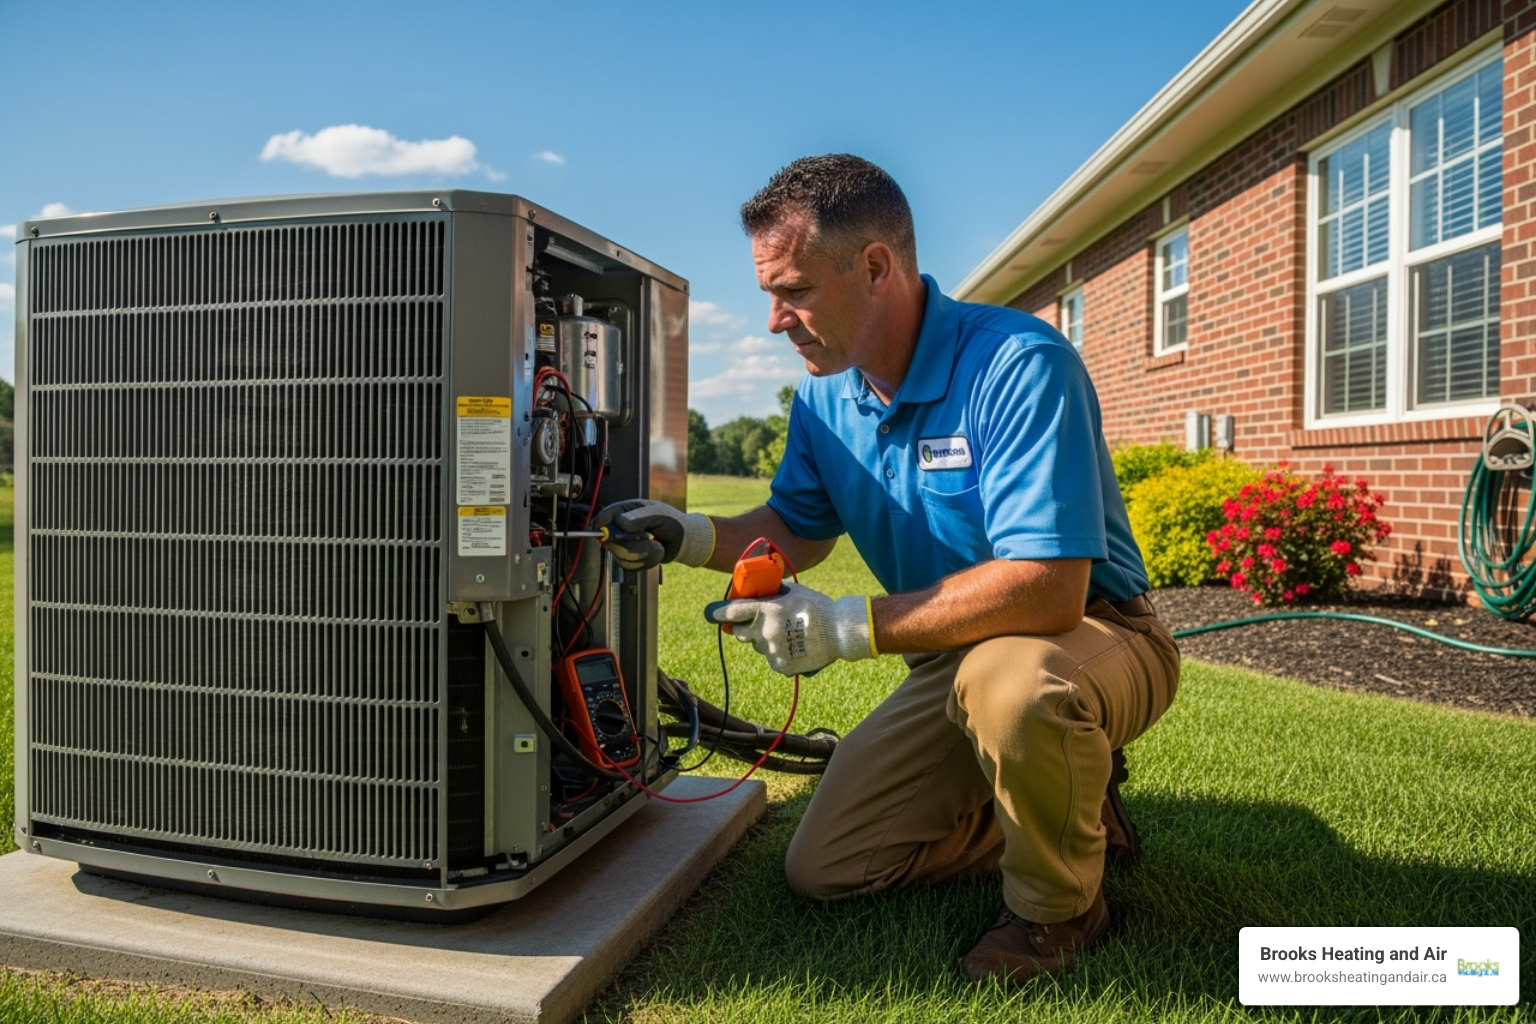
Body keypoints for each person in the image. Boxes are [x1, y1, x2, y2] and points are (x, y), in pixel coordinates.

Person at [595, 154, 1180, 985]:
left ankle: (1057, 913)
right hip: (957, 657)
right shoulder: (827, 398)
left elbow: (1051, 587)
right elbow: (795, 529)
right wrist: (686, 535)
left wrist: (842, 626)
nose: (773, 319)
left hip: (1092, 635)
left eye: (792, 290)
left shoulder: (1016, 364)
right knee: (829, 866)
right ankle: (1074, 806)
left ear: (875, 267)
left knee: (1011, 689)